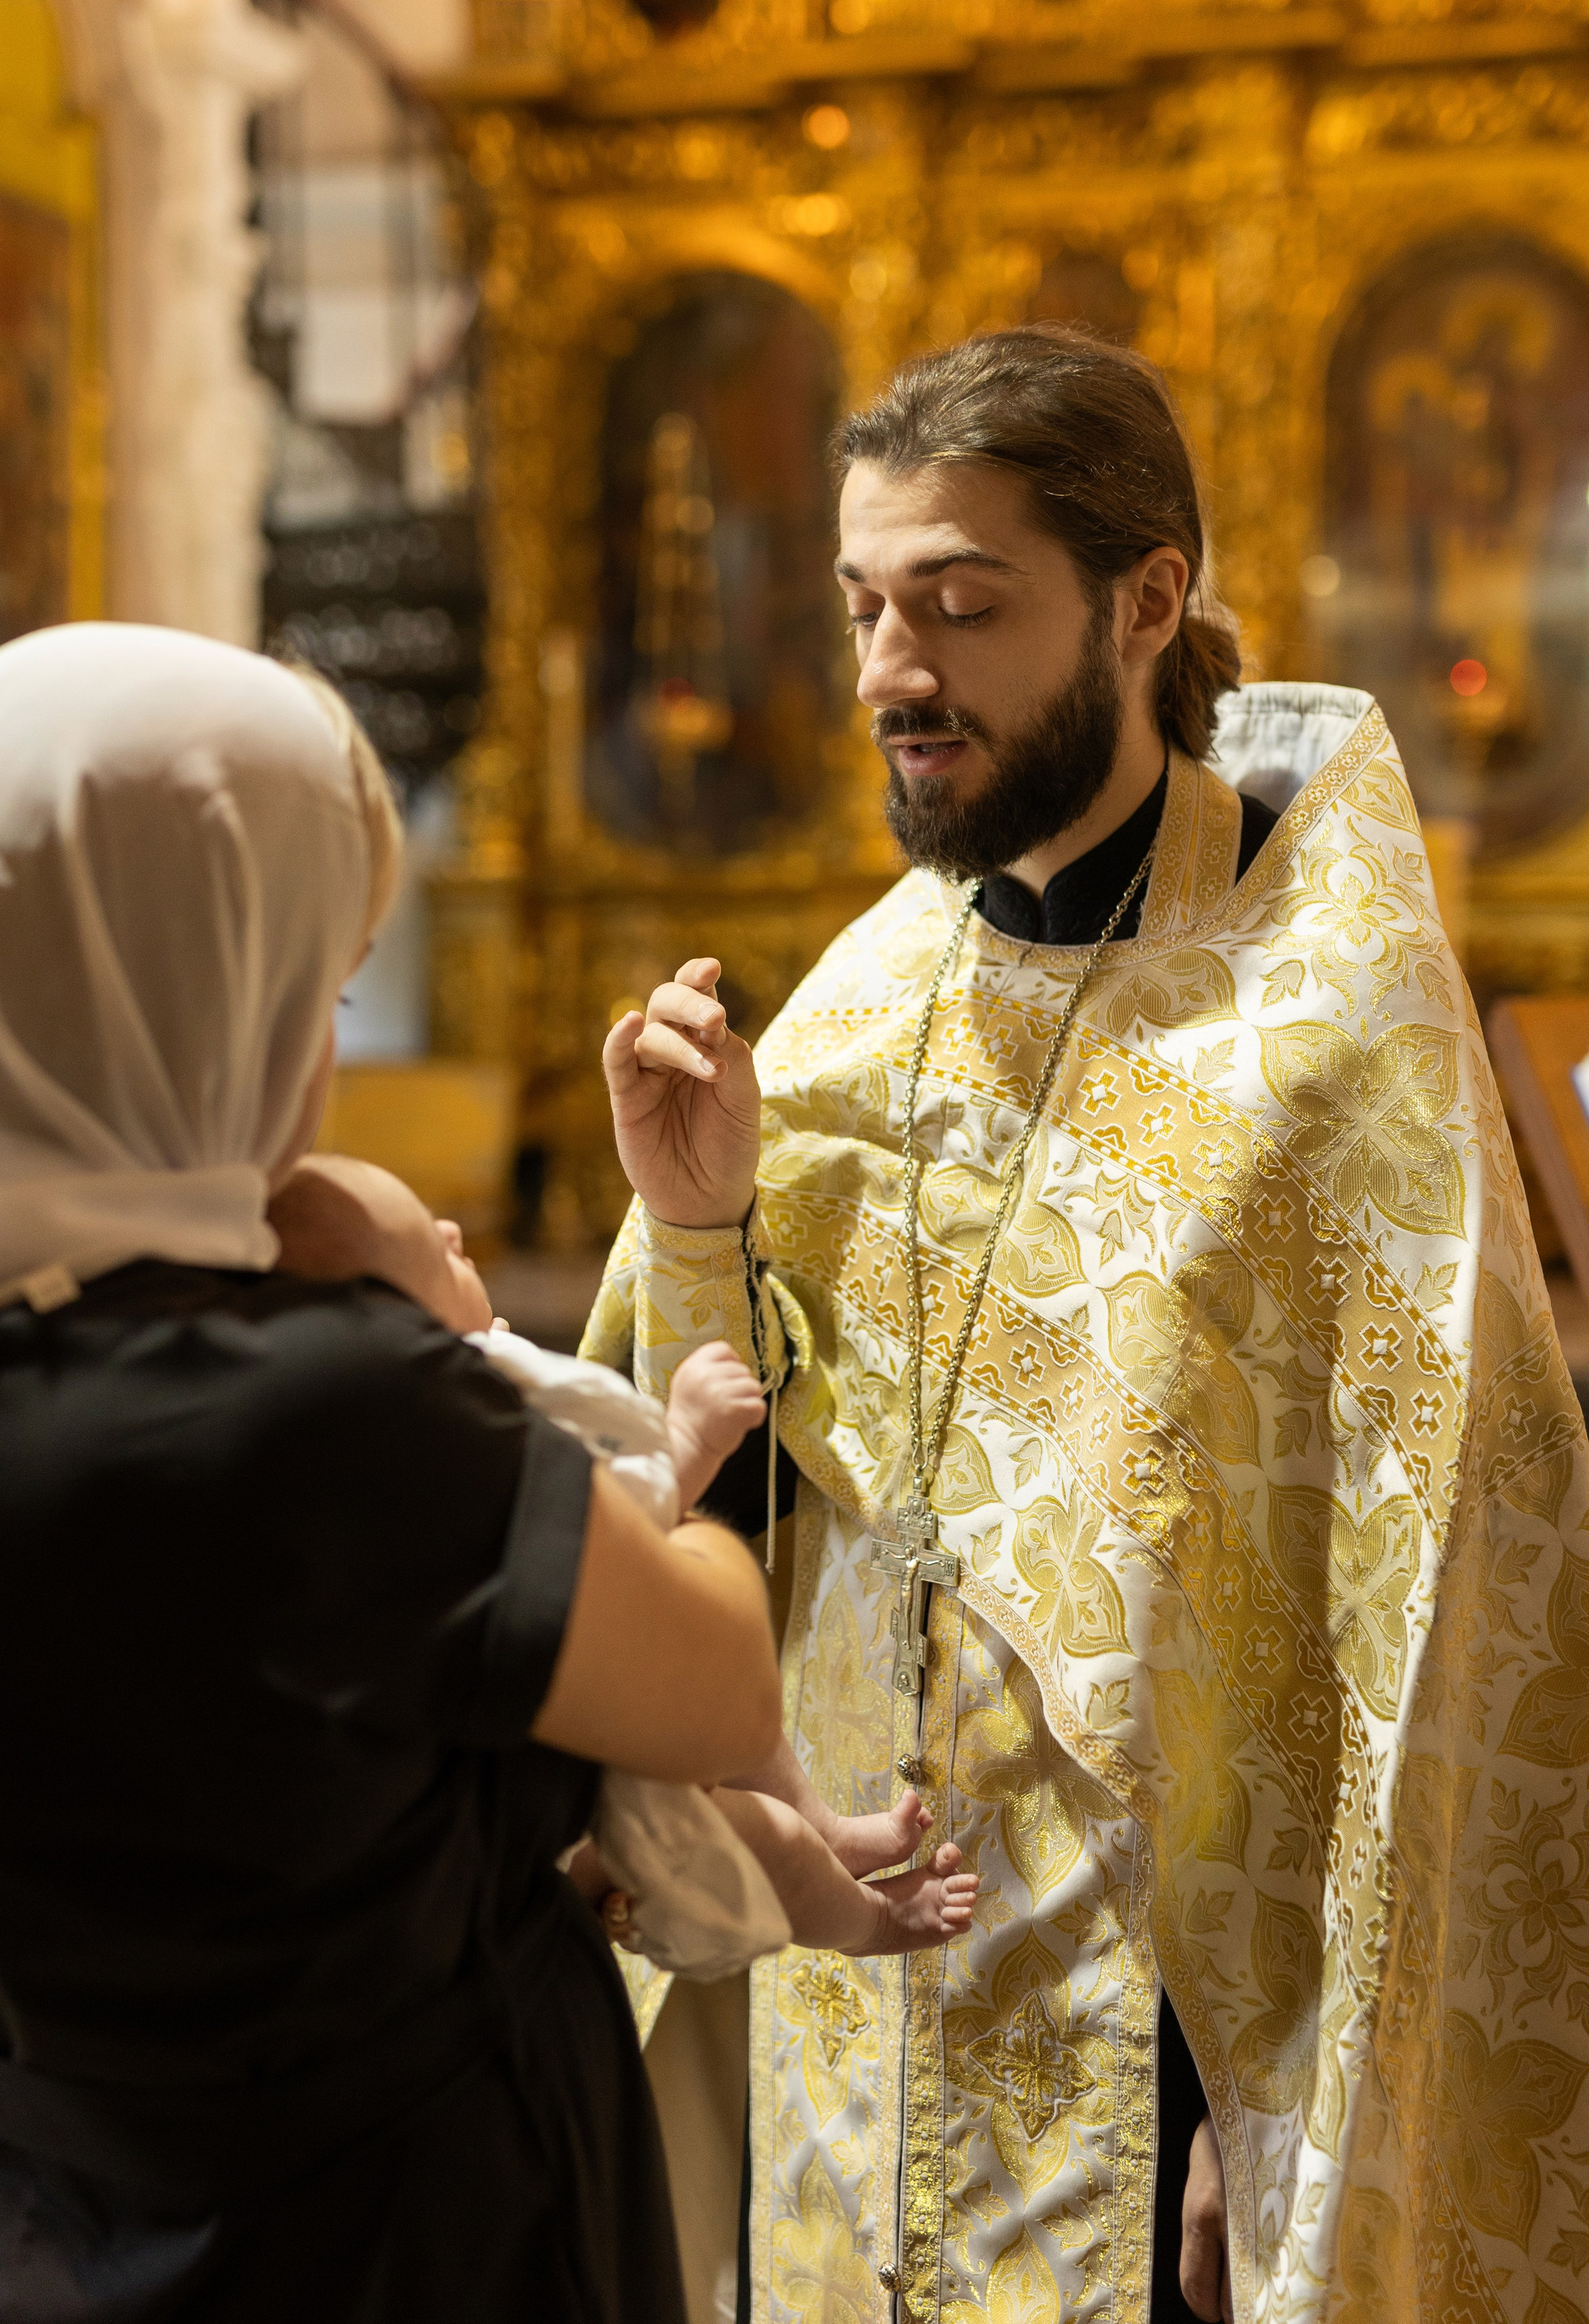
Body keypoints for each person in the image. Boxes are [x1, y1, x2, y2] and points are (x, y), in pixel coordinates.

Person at [584, 326, 1589, 2324]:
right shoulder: (869, 996)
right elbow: (722, 1493)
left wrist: (1285, 2110)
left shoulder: (1322, 1047)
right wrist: (697, 1225)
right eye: (868, 605)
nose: (891, 673)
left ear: (1146, 604)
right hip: (849, 2008)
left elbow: (1411, 1643)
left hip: (1148, 2057)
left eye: (962, 607)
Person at [0, 621, 785, 2324]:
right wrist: (544, 1388)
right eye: (318, 990)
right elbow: (716, 1686)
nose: (324, 1058)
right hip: (405, 2240)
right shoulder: (313, 1406)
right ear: (202, 992)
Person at [268, 1153, 980, 1959]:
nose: (453, 1227)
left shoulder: (462, 1385)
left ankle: (827, 1827)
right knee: (764, 1842)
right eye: (431, 1253)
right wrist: (686, 1445)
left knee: (739, 1725)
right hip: (579, 1772)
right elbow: (597, 1539)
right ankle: (872, 1922)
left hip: (588, 1715)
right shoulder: (447, 1430)